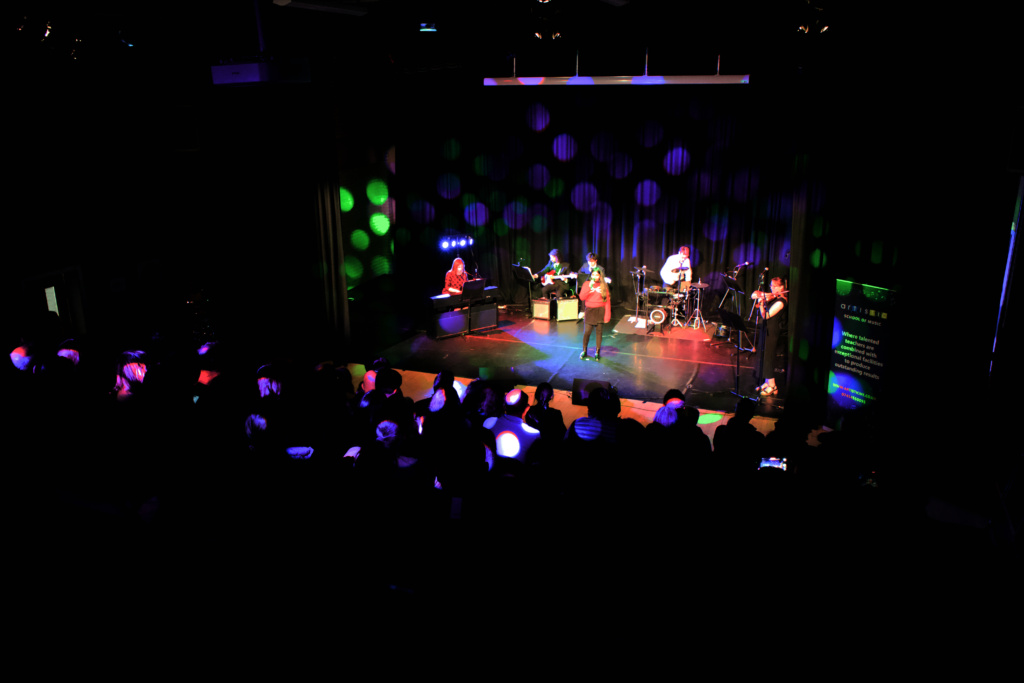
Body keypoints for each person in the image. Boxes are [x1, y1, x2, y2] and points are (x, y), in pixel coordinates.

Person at [751, 276, 788, 396]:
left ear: (782, 287)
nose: (772, 288)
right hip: (766, 329)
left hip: (772, 331)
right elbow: (754, 295)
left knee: (769, 357)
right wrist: (761, 297)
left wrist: (762, 304)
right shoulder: (775, 297)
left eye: (774, 286)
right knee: (764, 355)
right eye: (771, 286)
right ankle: (767, 382)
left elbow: (766, 316)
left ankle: (773, 385)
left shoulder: (781, 302)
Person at [578, 267, 611, 361]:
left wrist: (607, 315)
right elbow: (582, 297)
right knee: (587, 332)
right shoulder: (587, 284)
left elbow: (607, 301)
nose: (594, 276)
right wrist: (590, 286)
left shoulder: (604, 285)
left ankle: (597, 352)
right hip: (590, 311)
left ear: (600, 276)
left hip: (600, 310)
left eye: (597, 275)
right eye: (593, 274)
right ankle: (584, 351)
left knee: (599, 333)